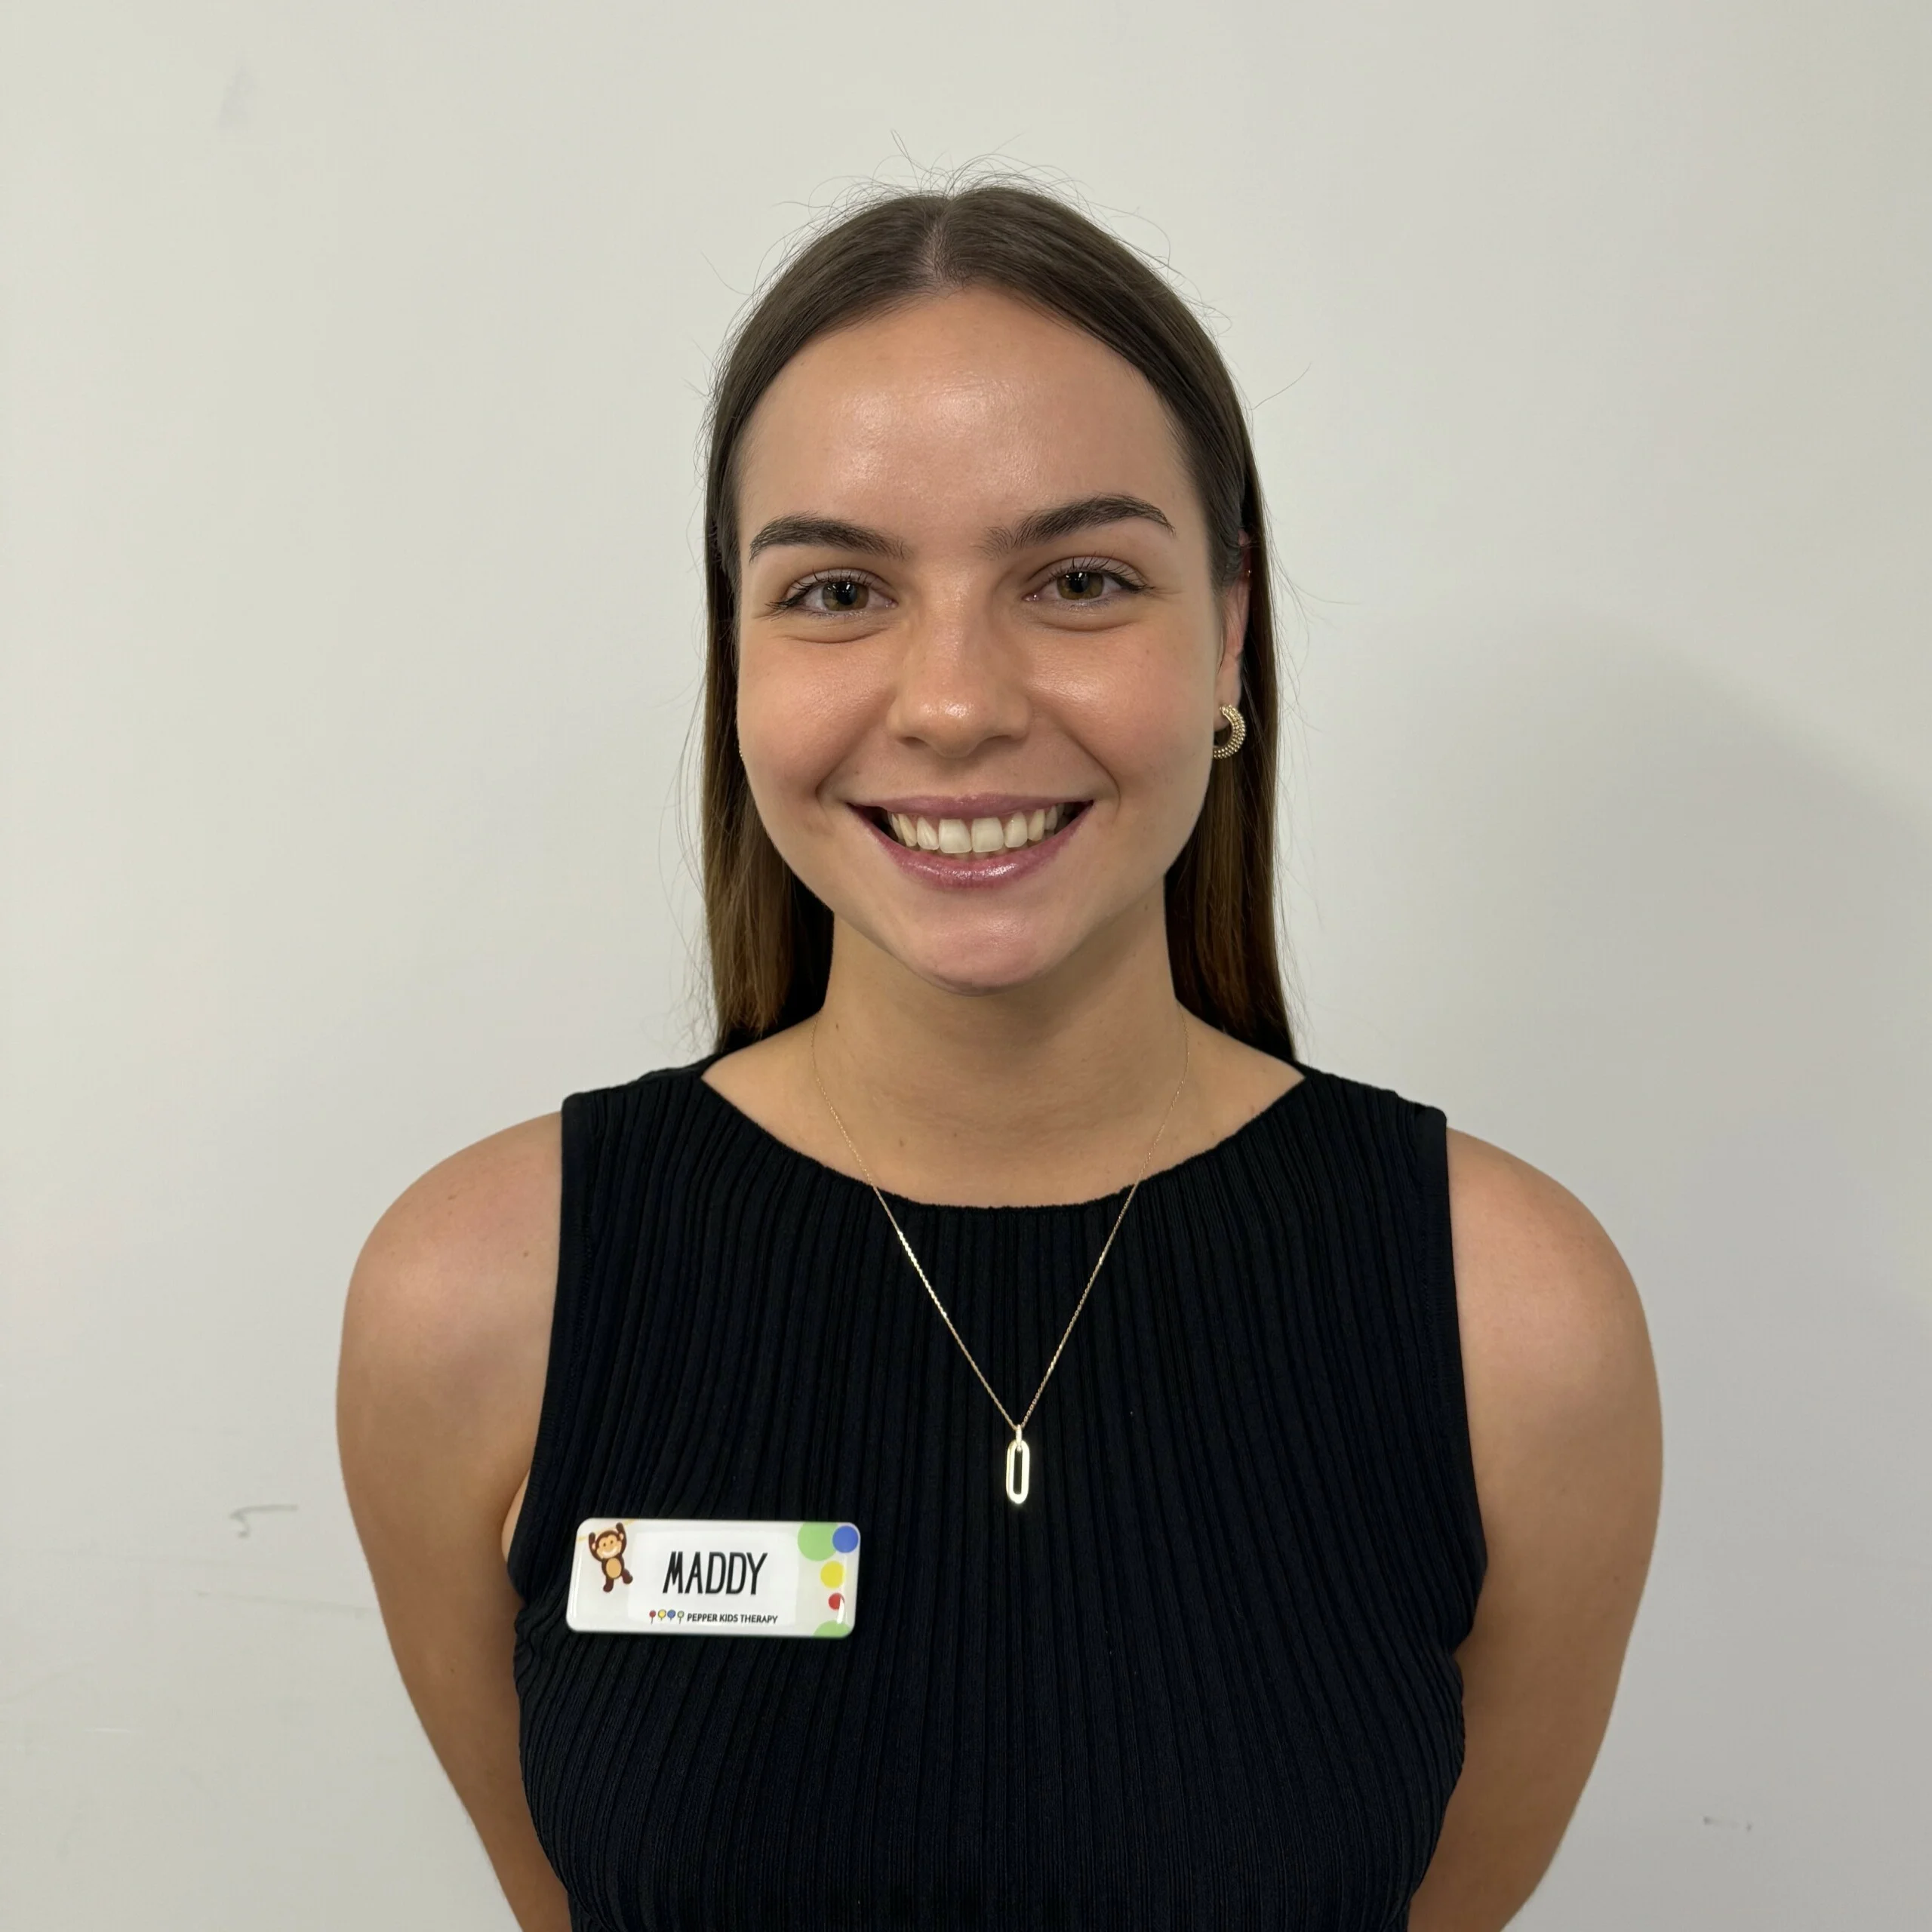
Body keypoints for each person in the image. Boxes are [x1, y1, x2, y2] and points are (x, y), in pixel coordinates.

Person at [338, 182, 1662, 1932]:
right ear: (735, 653)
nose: (953, 700)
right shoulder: (475, 1299)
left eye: (1081, 578)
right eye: (834, 588)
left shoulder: (1514, 1321)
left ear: (1228, 638)